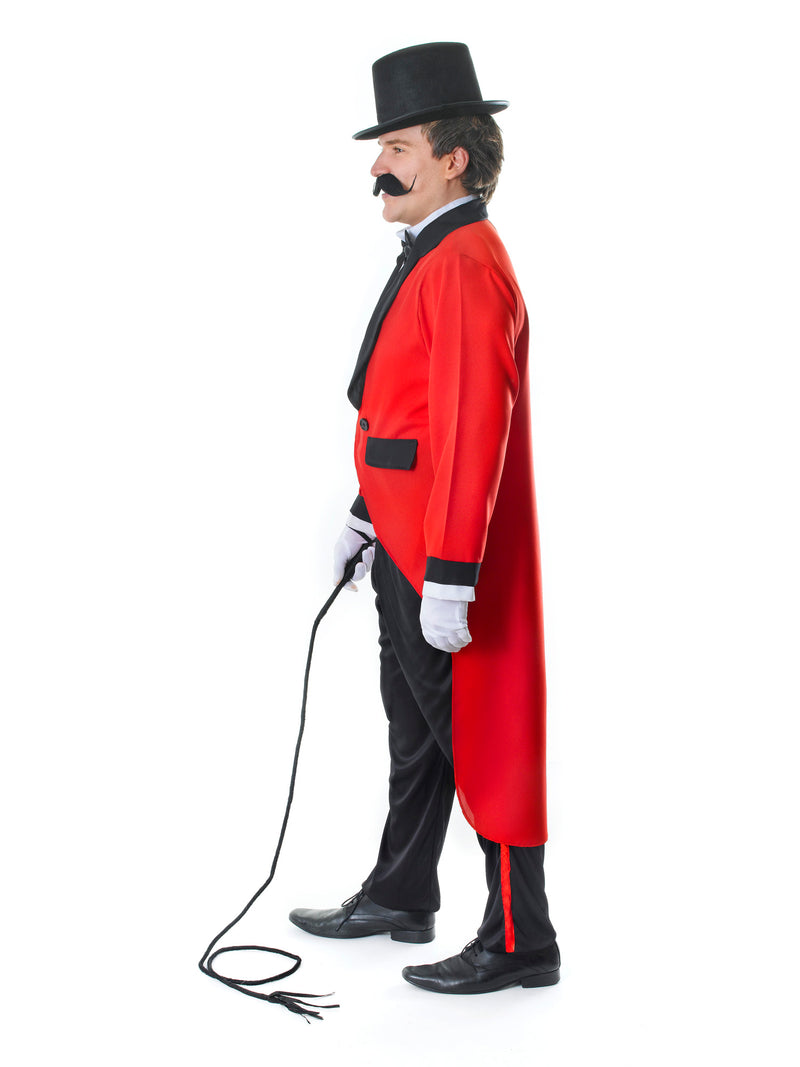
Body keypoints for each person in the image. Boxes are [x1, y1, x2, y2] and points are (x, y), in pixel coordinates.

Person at [289, 42, 560, 995]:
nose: (377, 167)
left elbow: (474, 428)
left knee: (480, 739)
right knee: (415, 732)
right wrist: (367, 516)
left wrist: (449, 578)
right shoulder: (437, 252)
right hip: (403, 542)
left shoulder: (467, 264)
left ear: (452, 159)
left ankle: (522, 938)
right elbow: (407, 417)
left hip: (443, 560)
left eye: (395, 147)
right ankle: (403, 893)